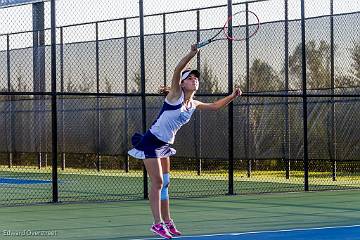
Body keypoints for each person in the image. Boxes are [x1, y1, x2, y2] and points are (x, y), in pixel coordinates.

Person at [128, 44, 242, 239]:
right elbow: (177, 69)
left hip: (164, 146)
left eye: (196, 78)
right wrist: (192, 53)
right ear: (181, 84)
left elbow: (214, 106)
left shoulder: (193, 103)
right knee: (157, 182)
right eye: (190, 78)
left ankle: (168, 222)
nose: (194, 79)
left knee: (166, 184)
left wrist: (232, 96)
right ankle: (157, 224)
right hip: (150, 143)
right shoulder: (175, 96)